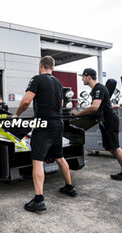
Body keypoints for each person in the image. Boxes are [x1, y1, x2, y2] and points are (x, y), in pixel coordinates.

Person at [14, 56, 77, 214]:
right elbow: (61, 104)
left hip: (44, 125)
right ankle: (69, 187)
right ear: (53, 67)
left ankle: (39, 200)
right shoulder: (58, 83)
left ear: (41, 65)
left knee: (38, 161)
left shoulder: (37, 79)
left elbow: (26, 101)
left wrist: (17, 114)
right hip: (58, 124)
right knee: (59, 157)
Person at [70, 68, 122, 181]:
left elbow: (94, 107)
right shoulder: (95, 89)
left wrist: (78, 114)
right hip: (104, 121)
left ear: (88, 77)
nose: (82, 79)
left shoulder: (99, 89)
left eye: (83, 77)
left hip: (109, 121)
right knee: (108, 146)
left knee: (115, 147)